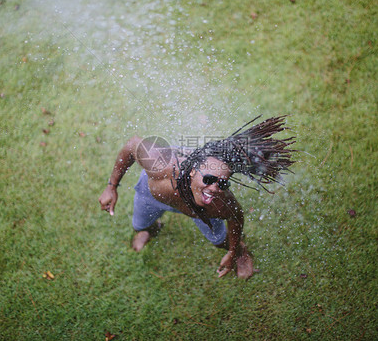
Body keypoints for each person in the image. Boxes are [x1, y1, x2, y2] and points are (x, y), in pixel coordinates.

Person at [98, 115, 295, 279]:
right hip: (152, 195)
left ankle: (242, 252)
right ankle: (151, 229)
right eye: (208, 179)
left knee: (219, 241)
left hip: (199, 213)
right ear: (193, 172)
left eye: (222, 182)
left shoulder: (220, 202)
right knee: (139, 225)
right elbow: (132, 145)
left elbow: (236, 217)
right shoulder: (162, 164)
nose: (215, 188)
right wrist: (111, 187)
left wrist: (232, 251)